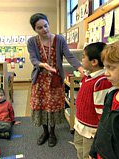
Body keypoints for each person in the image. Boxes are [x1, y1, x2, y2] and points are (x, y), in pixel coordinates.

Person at [27, 13, 84, 147]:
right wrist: (42, 64)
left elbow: (69, 56)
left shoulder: (59, 39)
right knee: (41, 106)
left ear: (48, 23)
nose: (44, 30)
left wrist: (81, 68)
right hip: (40, 80)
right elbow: (33, 58)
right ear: (35, 29)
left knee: (52, 107)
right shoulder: (32, 41)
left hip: (55, 80)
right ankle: (45, 132)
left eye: (45, 26)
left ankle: (52, 133)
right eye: (39, 28)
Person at [74, 42, 112, 159]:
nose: (82, 59)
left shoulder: (101, 82)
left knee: (87, 154)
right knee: (79, 150)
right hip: (80, 125)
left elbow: (101, 112)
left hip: (91, 132)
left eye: (84, 56)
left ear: (94, 62)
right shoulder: (88, 77)